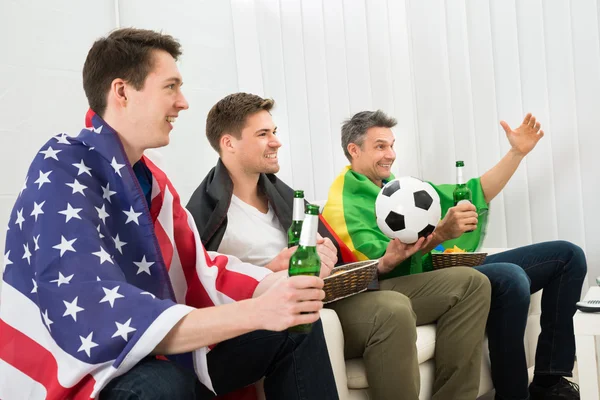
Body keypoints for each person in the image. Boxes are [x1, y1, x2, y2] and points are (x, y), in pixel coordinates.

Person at [0, 29, 339, 400]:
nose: (184, 102)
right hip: (86, 368)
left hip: (154, 348)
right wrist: (259, 312)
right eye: (171, 87)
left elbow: (199, 267)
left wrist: (273, 284)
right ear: (123, 92)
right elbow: (94, 311)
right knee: (161, 383)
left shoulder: (152, 181)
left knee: (297, 325)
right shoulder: (63, 166)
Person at [187, 92, 492, 400]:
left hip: (330, 293)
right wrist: (271, 270)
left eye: (274, 132)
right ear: (229, 143)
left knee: (472, 283)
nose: (276, 141)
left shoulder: (283, 197)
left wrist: (372, 261)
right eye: (263, 134)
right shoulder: (205, 216)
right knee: (392, 310)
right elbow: (204, 290)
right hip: (290, 311)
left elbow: (338, 260)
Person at [323, 110, 587, 400]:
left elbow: (473, 193)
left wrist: (516, 153)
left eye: (392, 144)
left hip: (439, 266)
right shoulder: (343, 202)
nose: (391, 154)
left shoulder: (397, 189)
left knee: (567, 256)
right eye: (380, 146)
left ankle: (549, 382)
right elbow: (383, 268)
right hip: (412, 282)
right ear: (354, 149)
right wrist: (439, 234)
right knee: (510, 277)